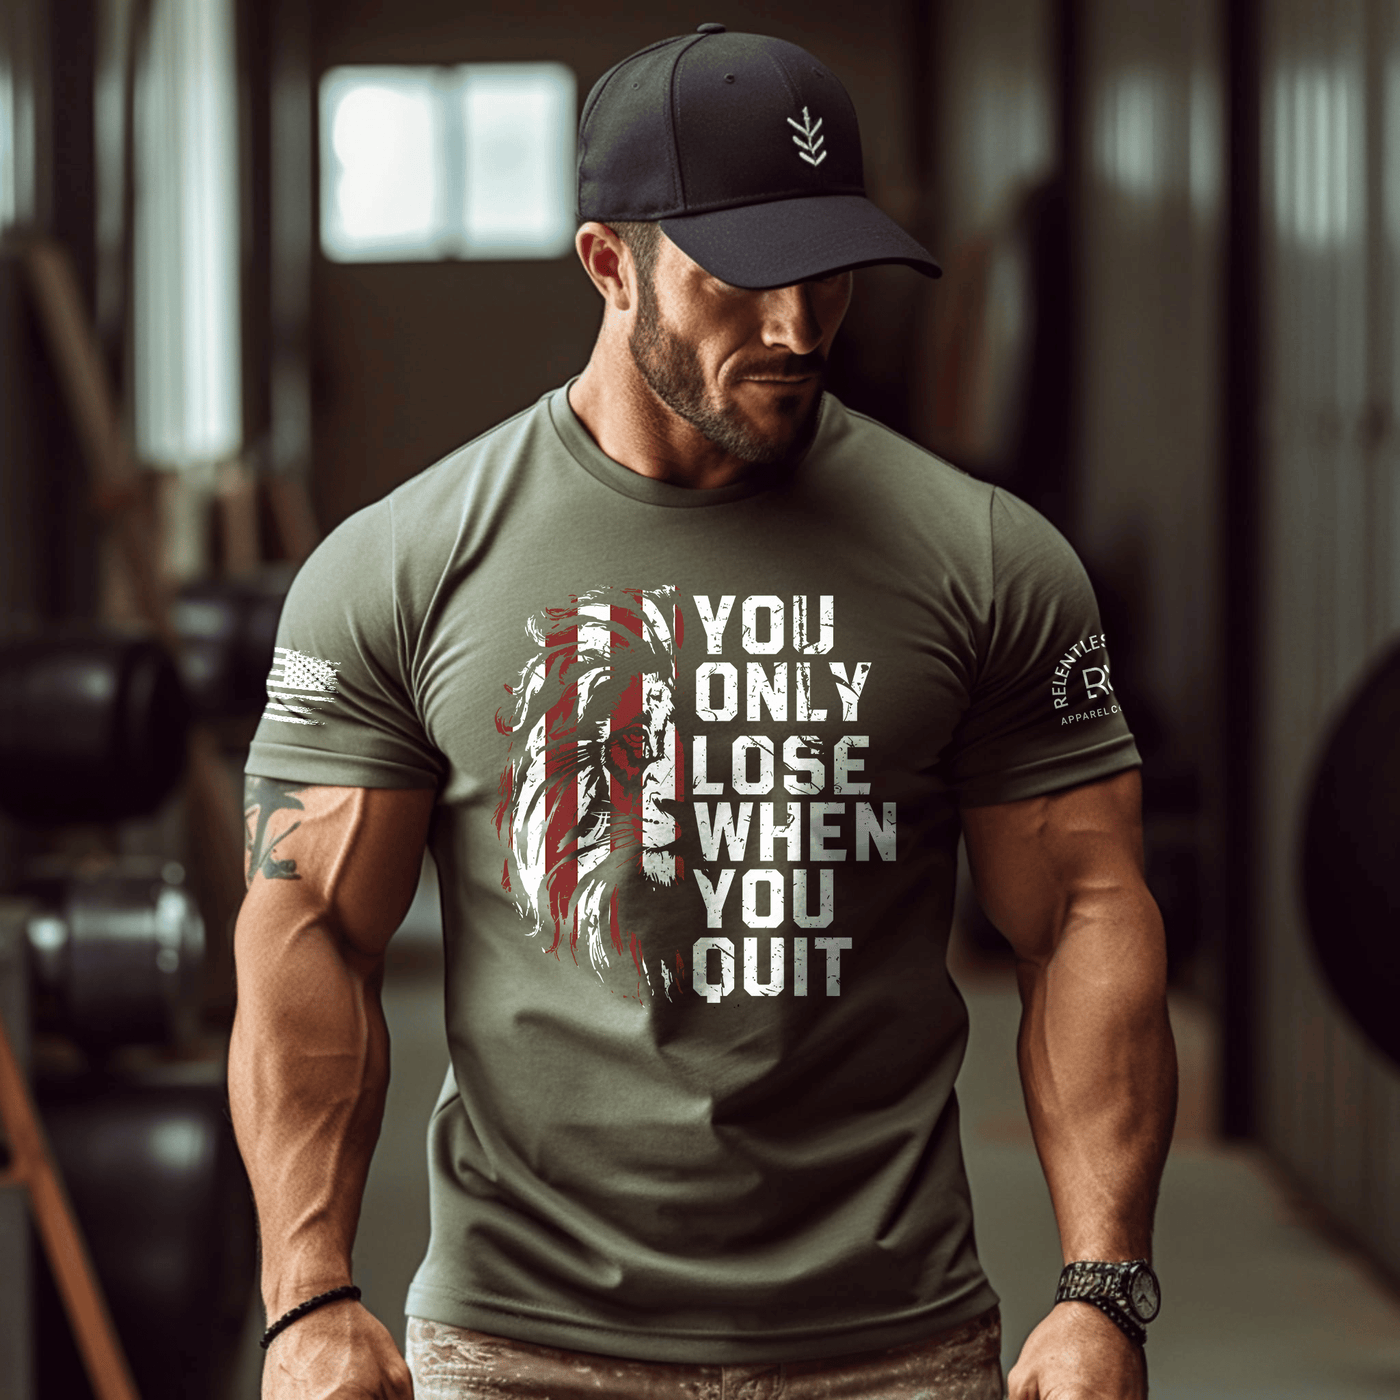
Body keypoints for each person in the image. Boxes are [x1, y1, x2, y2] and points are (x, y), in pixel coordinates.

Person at [230, 24, 1176, 1400]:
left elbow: (1087, 907)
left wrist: (1104, 1293)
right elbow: (308, 924)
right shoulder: (407, 566)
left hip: (893, 1346)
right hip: (522, 1345)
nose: (797, 330)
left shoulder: (987, 560)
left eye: (830, 273)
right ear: (609, 264)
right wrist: (307, 1299)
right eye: (745, 278)